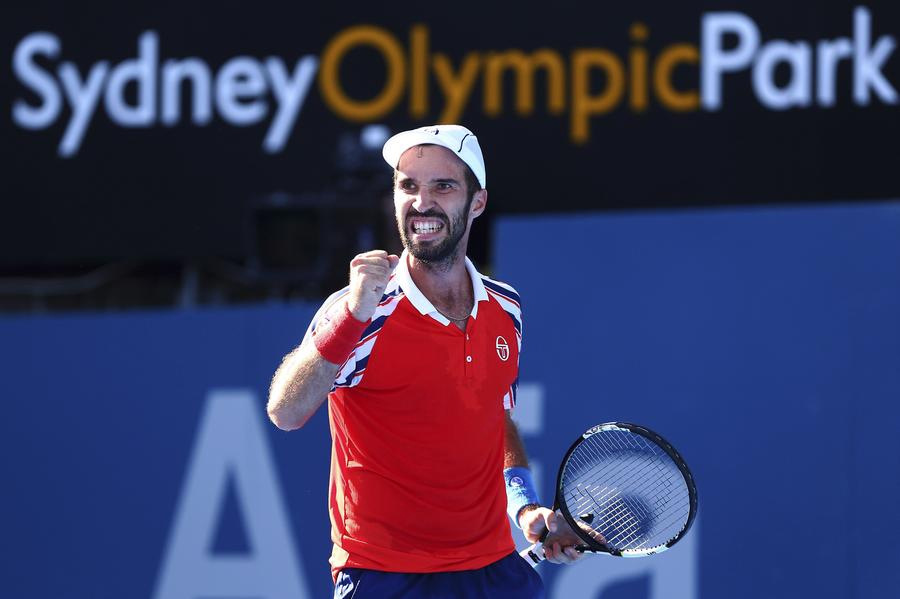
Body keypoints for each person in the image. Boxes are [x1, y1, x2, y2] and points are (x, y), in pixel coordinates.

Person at [267, 125, 584, 598]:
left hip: (492, 569)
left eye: (443, 186)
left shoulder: (506, 309)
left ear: (477, 203)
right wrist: (352, 317)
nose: (421, 203)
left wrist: (523, 506)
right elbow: (285, 412)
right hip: (384, 576)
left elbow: (493, 415)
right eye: (407, 186)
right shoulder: (358, 312)